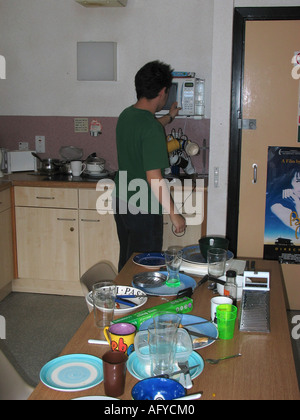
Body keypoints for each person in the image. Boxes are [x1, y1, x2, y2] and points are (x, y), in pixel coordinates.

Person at [113, 60, 186, 271]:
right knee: (145, 265)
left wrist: (169, 117)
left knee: (127, 261)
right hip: (143, 206)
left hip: (122, 200)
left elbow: (149, 128)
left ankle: (123, 300)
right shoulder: (150, 128)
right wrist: (174, 213)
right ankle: (140, 302)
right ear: (163, 91)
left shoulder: (126, 115)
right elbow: (154, 177)